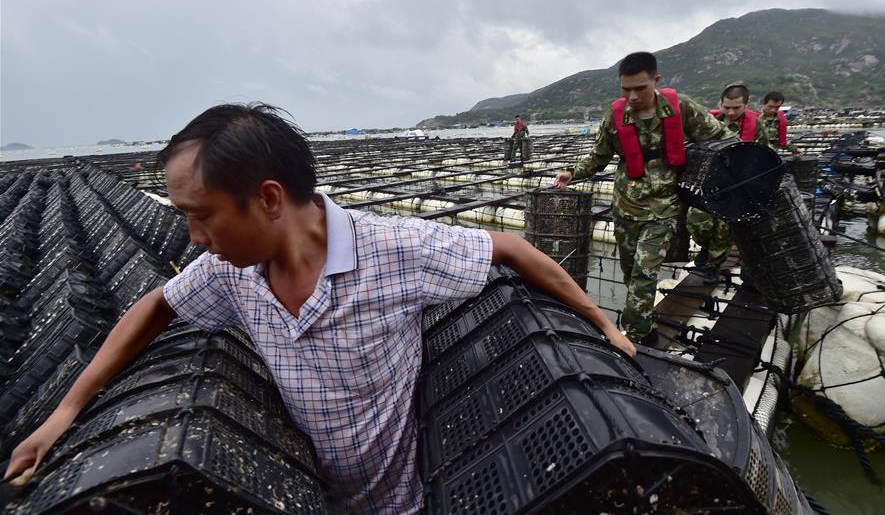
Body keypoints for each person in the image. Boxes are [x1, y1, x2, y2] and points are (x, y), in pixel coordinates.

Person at [5, 103, 634, 514]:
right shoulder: (231, 274)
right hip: (307, 495)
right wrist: (66, 411)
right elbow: (155, 307)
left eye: (202, 217)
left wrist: (601, 321)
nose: (194, 238)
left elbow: (512, 247)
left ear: (268, 199)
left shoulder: (396, 247)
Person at [554, 52, 733, 341]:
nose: (633, 96)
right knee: (630, 272)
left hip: (664, 206)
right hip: (626, 206)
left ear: (656, 81)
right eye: (626, 90)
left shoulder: (680, 107)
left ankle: (636, 337)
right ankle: (644, 322)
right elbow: (599, 157)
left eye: (640, 88)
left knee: (644, 272)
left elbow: (720, 137)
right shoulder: (615, 116)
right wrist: (572, 174)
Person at [687, 82, 766, 283]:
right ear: (720, 104)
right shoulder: (710, 121)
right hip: (712, 182)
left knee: (723, 227)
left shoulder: (756, 126)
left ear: (745, 105)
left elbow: (766, 156)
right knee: (696, 220)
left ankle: (713, 265)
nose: (730, 112)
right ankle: (706, 246)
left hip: (738, 186)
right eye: (726, 107)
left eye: (736, 108)